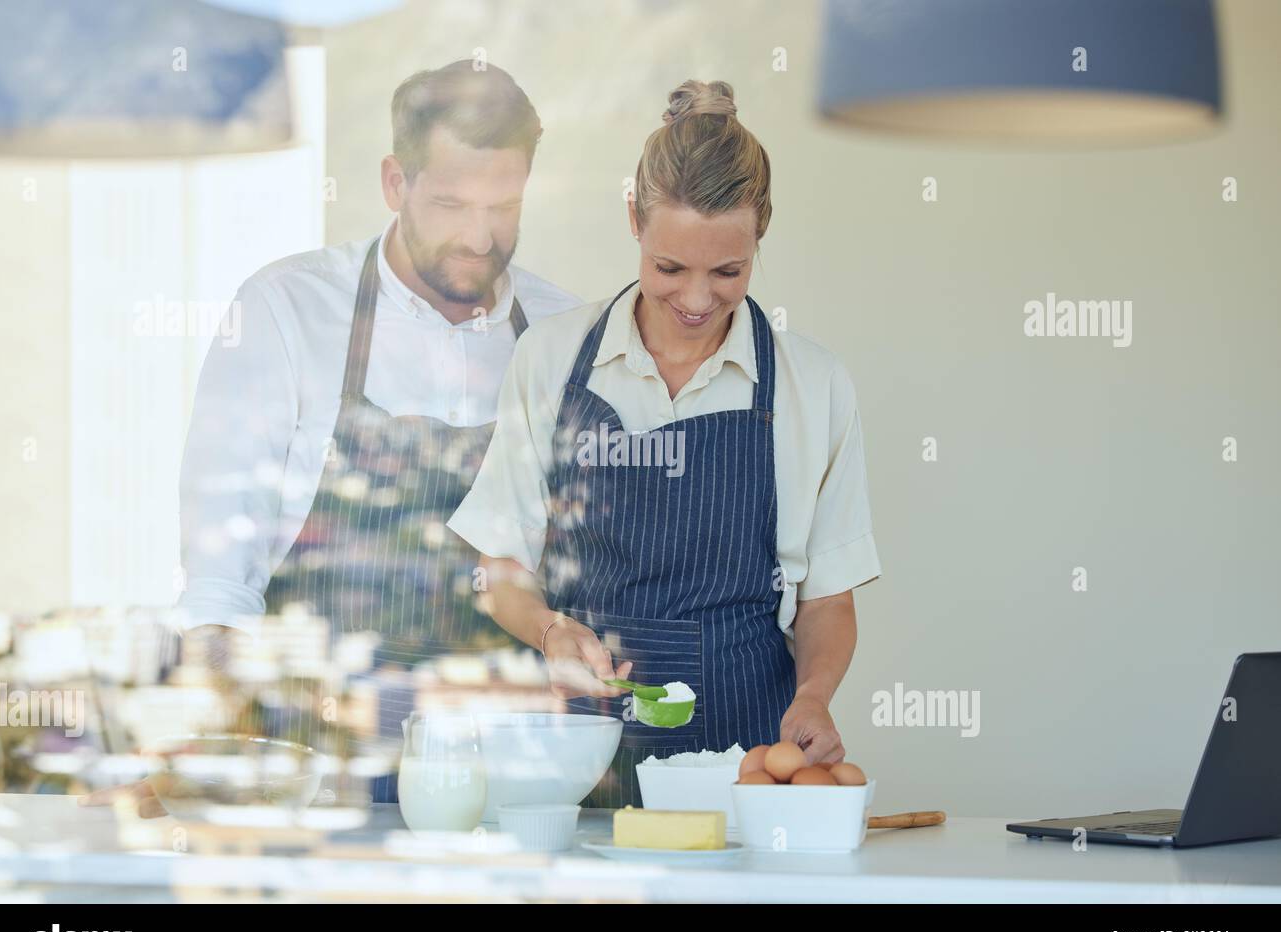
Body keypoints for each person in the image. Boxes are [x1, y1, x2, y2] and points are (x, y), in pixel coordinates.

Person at [84, 61, 579, 814]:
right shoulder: (287, 312)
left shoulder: (562, 333)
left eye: (503, 206)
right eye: (450, 202)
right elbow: (223, 571)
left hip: (498, 769)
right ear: (394, 182)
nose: (479, 238)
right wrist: (207, 727)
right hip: (318, 759)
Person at [447, 81, 881, 808]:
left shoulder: (815, 385)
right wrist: (551, 631)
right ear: (634, 221)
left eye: (729, 272)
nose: (698, 299)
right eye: (671, 268)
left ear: (760, 235)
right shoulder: (551, 360)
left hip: (745, 767)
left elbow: (826, 600)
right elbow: (499, 569)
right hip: (583, 760)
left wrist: (813, 696)